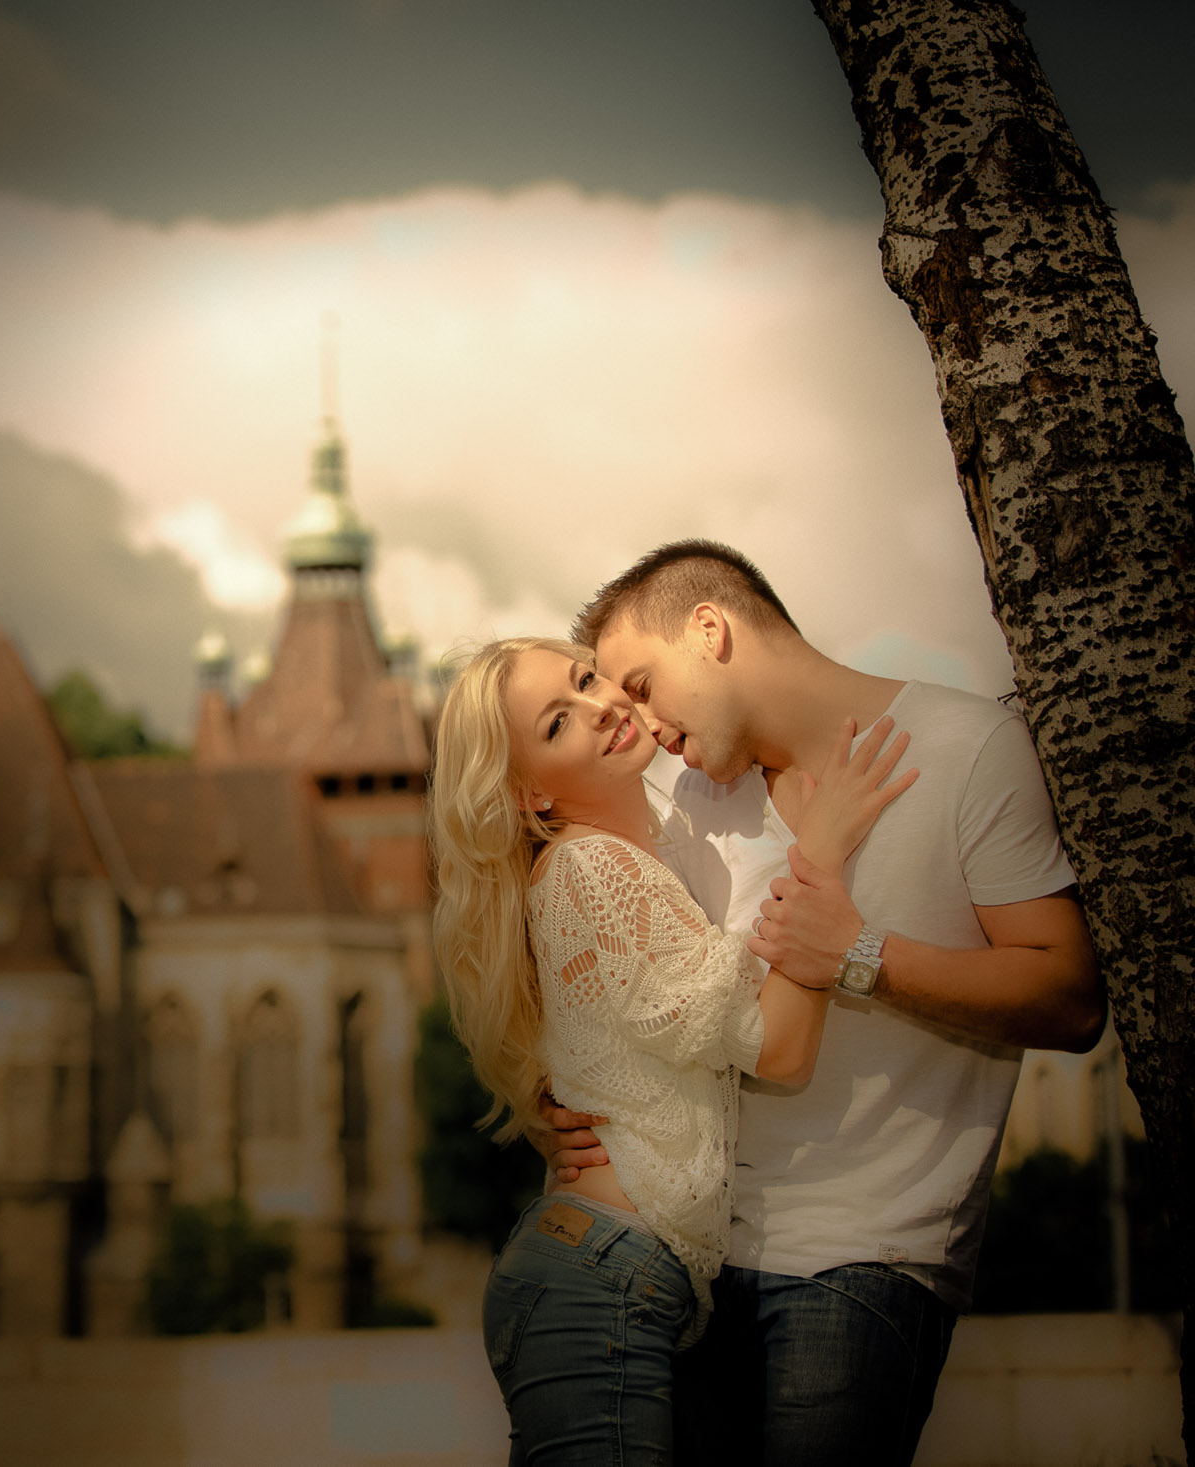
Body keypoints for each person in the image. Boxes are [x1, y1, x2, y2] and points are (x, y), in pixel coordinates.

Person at [548, 539, 1104, 1467]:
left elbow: (1069, 994)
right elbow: (640, 1001)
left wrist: (862, 954)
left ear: (710, 630)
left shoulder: (968, 748)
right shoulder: (681, 802)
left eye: (639, 684)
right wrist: (562, 1100)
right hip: (689, 1257)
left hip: (866, 1258)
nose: (635, 722)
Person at [429, 634, 916, 1465]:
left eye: (586, 679)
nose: (601, 704)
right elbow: (781, 1048)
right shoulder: (595, 875)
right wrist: (824, 853)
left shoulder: (631, 856)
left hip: (611, 1276)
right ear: (529, 795)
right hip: (600, 1281)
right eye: (558, 721)